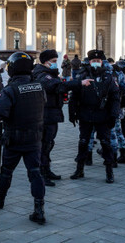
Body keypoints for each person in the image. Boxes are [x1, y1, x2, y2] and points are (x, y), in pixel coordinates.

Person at [0, 52, 47, 224]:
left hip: (14, 139)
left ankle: (0, 198)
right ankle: (39, 209)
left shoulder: (10, 90)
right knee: (35, 173)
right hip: (34, 139)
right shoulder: (39, 87)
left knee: (7, 171)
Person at [32, 49, 92, 187]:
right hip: (45, 114)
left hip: (51, 113)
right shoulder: (42, 75)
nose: (55, 64)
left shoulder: (48, 74)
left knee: (48, 144)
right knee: (44, 145)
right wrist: (79, 83)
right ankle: (42, 173)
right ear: (45, 62)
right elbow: (56, 86)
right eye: (53, 61)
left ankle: (46, 170)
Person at [68, 49, 120, 184]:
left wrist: (114, 115)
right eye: (93, 61)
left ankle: (109, 171)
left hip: (103, 115)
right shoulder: (82, 75)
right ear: (89, 62)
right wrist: (72, 112)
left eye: (98, 61)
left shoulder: (109, 77)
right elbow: (74, 95)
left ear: (101, 62)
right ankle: (79, 169)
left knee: (105, 143)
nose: (95, 63)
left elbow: (115, 97)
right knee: (83, 142)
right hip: (86, 114)